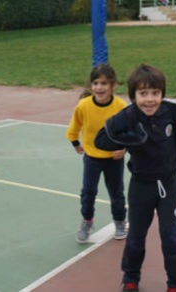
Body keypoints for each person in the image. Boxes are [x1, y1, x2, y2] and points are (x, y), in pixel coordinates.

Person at [95, 63, 176, 292]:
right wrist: (129, 140)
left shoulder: (170, 110)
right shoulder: (127, 116)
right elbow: (101, 140)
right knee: (135, 238)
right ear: (133, 96)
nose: (150, 99)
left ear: (162, 94)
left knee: (171, 237)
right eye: (143, 94)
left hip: (169, 184)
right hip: (141, 186)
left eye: (155, 93)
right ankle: (131, 278)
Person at [66, 63, 128, 243]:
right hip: (92, 158)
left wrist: (123, 148)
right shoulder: (84, 106)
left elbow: (130, 131)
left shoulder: (120, 106)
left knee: (116, 192)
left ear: (113, 85)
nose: (99, 88)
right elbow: (74, 126)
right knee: (88, 192)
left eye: (104, 83)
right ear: (91, 85)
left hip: (113, 159)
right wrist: (75, 142)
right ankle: (86, 221)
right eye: (95, 83)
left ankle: (119, 221)